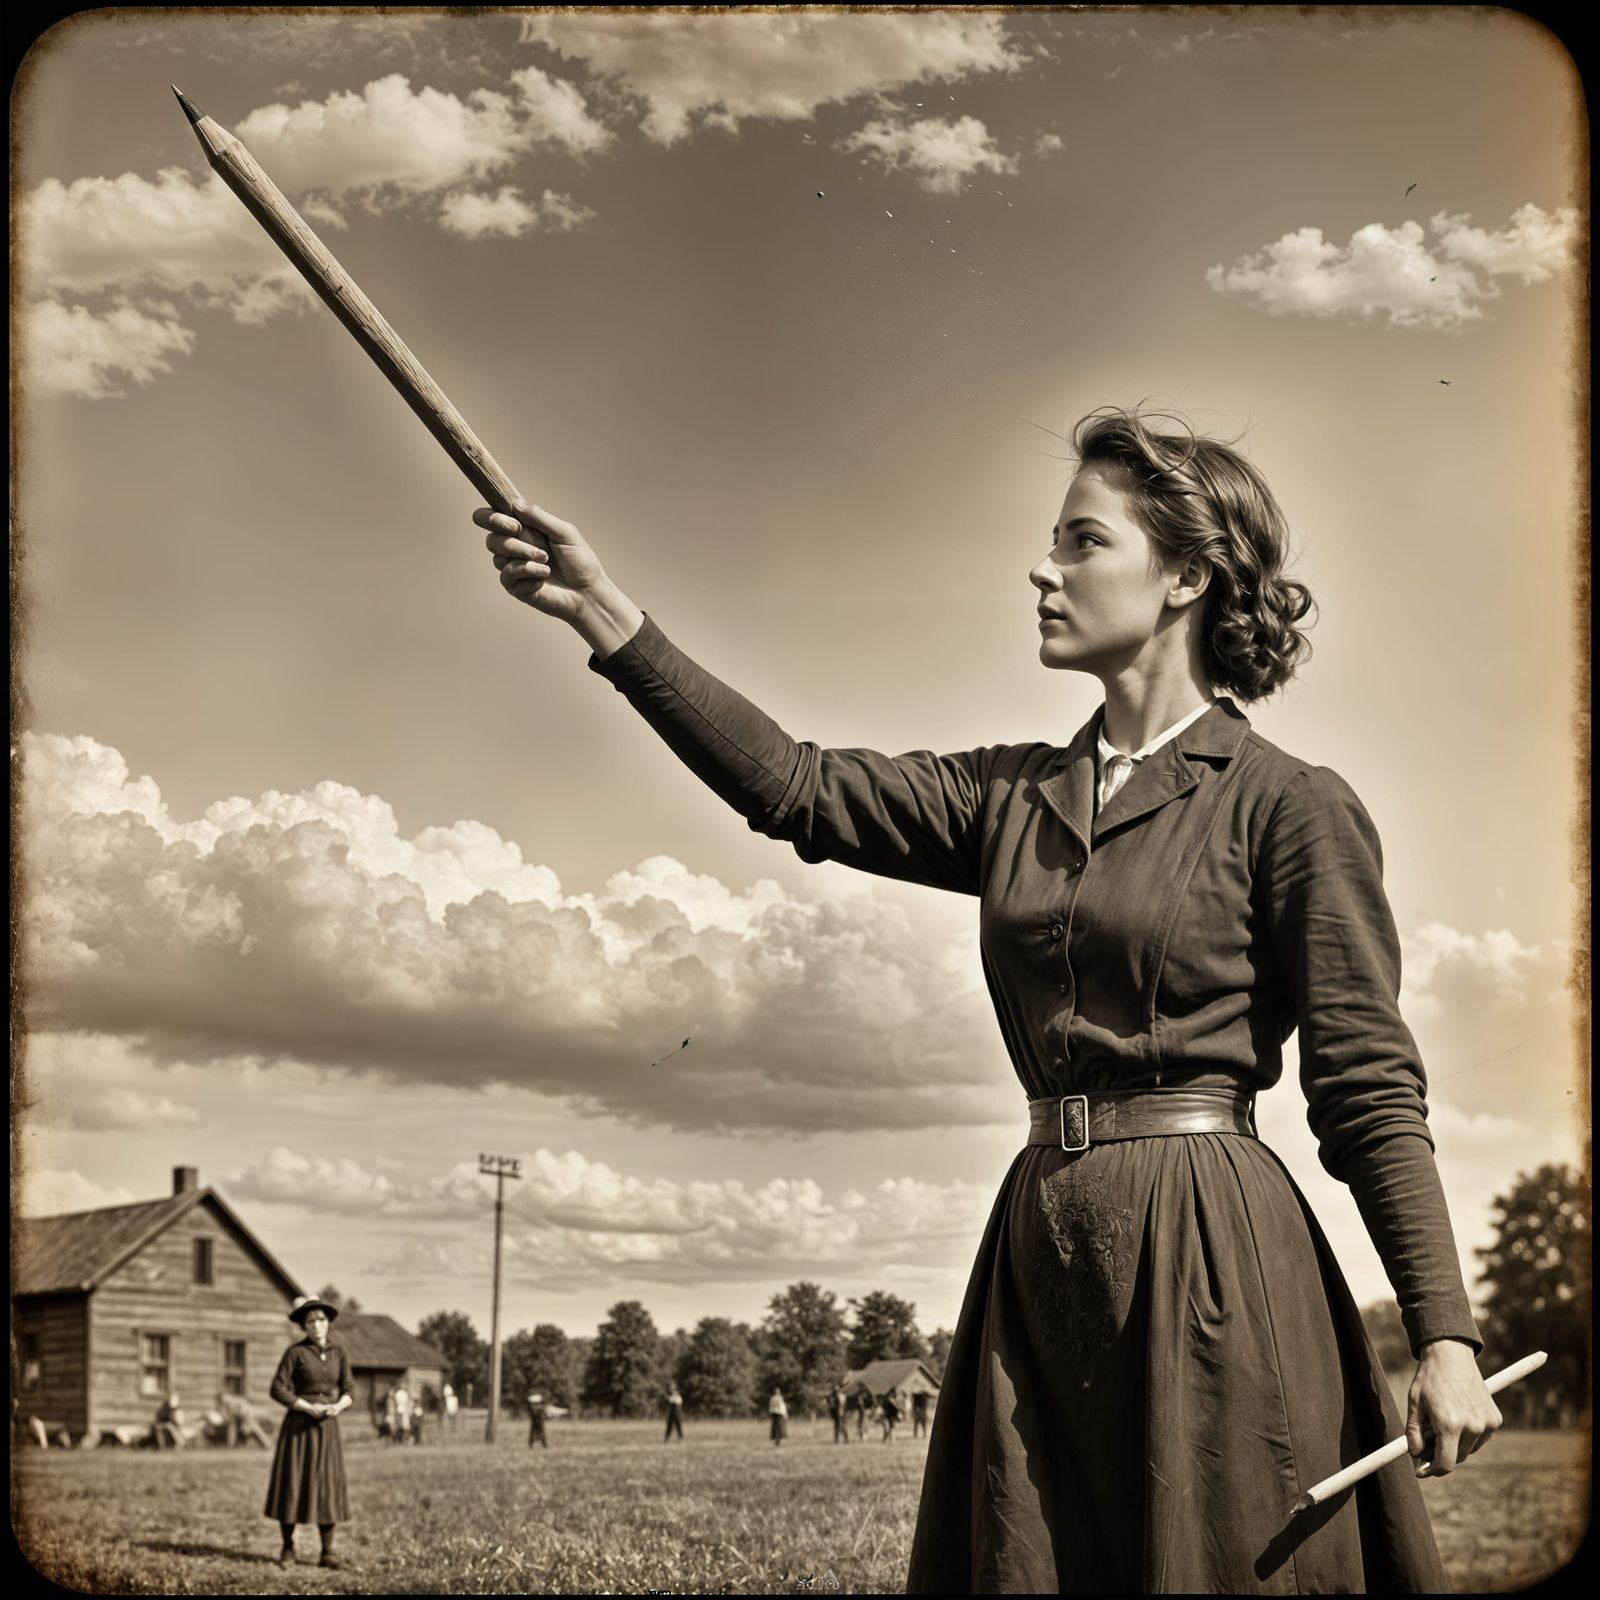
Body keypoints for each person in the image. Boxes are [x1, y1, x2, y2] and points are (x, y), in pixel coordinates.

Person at [472, 404, 1502, 1591]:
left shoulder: (1287, 805)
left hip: (1210, 1254)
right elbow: (797, 788)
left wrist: (1443, 1336)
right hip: (1038, 1250)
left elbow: (1368, 1086)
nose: (1042, 567)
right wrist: (605, 615)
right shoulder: (1011, 795)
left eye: (1080, 541)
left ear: (1182, 577)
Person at [264, 1295, 353, 1570]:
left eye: (321, 1319)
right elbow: (278, 1388)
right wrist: (307, 1407)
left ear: (328, 1323)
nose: (316, 1325)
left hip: (327, 1426)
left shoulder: (339, 1353)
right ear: (304, 1325)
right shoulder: (295, 1353)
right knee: (294, 1482)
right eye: (310, 1320)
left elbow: (350, 1389)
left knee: (327, 1483)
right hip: (299, 1427)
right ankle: (288, 1548)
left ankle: (327, 1551)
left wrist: (337, 1407)